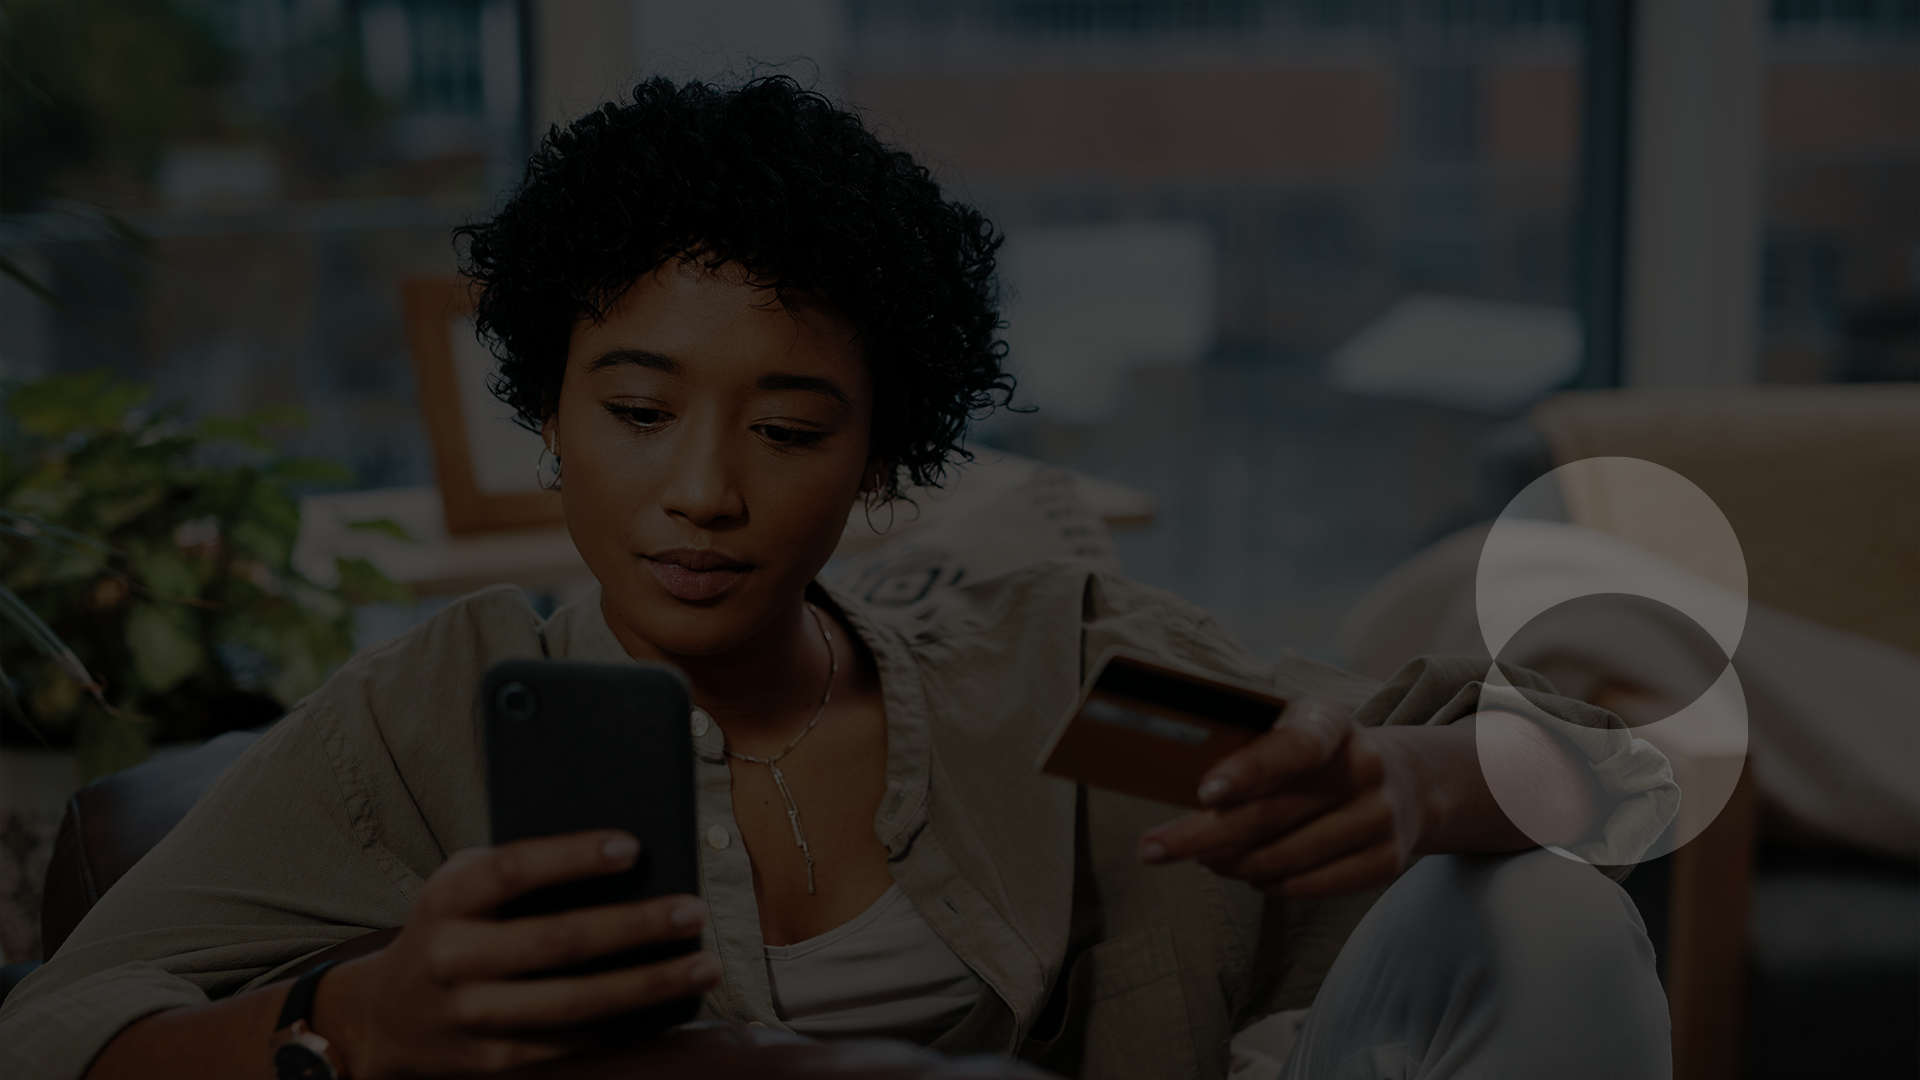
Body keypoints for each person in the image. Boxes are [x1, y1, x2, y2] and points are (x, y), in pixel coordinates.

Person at [0, 76, 1678, 1080]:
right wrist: (342, 1027)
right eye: (638, 410)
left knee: (1535, 896)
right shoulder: (431, 728)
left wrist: (1415, 781)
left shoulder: (1057, 695)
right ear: (552, 419)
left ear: (875, 458)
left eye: (789, 427)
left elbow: (1624, 774)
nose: (704, 493)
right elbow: (53, 1030)